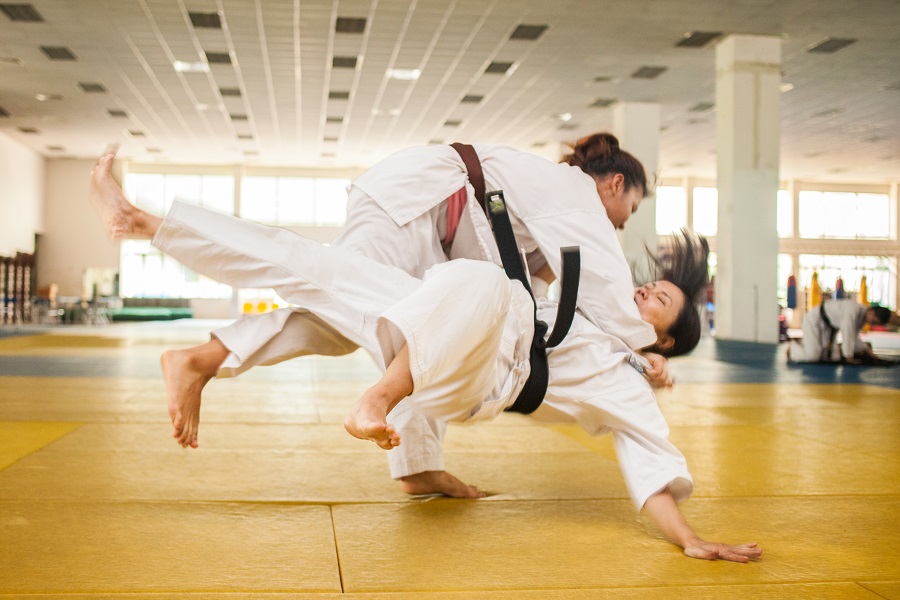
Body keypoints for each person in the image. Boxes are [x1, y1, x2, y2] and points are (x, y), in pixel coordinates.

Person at [96, 187, 757, 562]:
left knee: (485, 282)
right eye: (651, 286)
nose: (643, 293)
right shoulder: (596, 305)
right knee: (317, 268)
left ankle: (381, 396)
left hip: (480, 377)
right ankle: (149, 226)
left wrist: (690, 540)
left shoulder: (626, 384)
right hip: (446, 322)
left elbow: (650, 462)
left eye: (657, 302)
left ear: (664, 338)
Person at [90, 138, 680, 495]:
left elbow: (545, 313)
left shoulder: (543, 214)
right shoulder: (574, 193)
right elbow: (608, 288)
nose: (620, 223)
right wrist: (645, 349)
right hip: (415, 205)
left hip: (426, 225)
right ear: (615, 184)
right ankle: (149, 230)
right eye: (628, 210)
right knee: (326, 281)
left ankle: (416, 466)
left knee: (381, 327)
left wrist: (634, 358)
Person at [787, 299, 896, 363]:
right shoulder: (853, 310)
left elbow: (854, 337)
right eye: (874, 321)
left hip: (829, 327)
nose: (872, 324)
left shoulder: (862, 318)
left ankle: (806, 343)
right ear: (872, 312)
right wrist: (848, 356)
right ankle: (793, 349)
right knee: (813, 357)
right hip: (814, 320)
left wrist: (868, 351)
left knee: (832, 358)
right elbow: (848, 333)